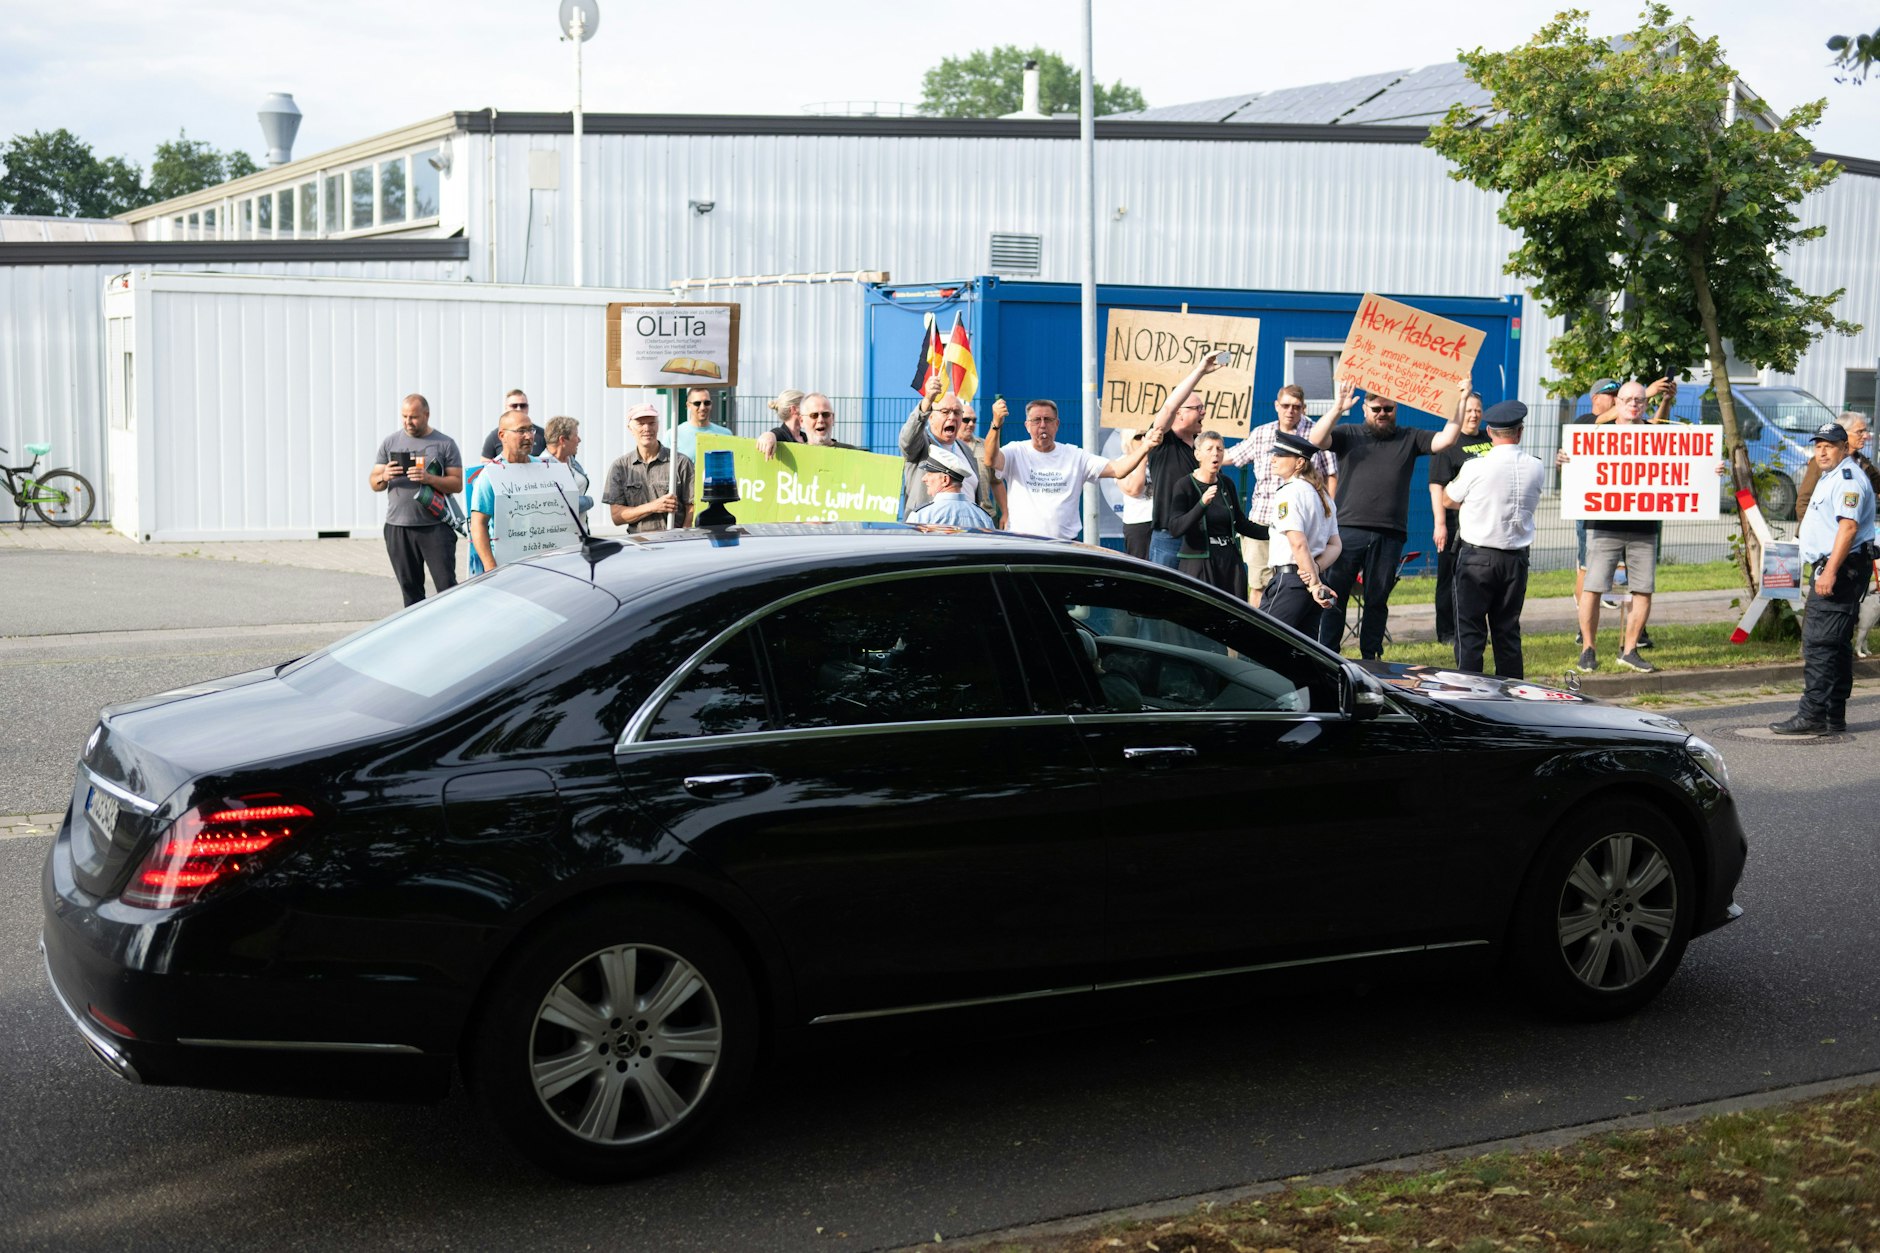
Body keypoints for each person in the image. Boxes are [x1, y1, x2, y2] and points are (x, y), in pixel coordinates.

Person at [1305, 378, 1463, 658]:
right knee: (1334, 594)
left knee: (1377, 598)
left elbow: (1447, 439)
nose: (1382, 413)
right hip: (1347, 530)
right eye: (1376, 408)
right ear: (1364, 409)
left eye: (1388, 409)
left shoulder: (1410, 436)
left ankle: (1371, 657)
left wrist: (1460, 400)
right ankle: (1327, 655)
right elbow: (1315, 440)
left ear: (1396, 409)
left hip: (1390, 533)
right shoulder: (1348, 433)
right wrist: (1338, 407)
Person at [1770, 421, 1878, 735]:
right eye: (1818, 446)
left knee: (1819, 642)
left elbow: (1848, 528)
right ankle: (1833, 713)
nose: (1822, 452)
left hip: (1840, 569)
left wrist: (1829, 571)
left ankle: (1812, 714)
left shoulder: (1847, 479)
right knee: (1837, 643)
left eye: (1829, 446)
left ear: (1844, 448)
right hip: (1836, 567)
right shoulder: (1831, 475)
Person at [1560, 379, 1673, 672]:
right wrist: (1564, 460)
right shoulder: (1595, 431)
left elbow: (1686, 463)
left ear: (1645, 405)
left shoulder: (1656, 434)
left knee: (1643, 589)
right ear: (1617, 403)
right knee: (1593, 587)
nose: (1633, 405)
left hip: (1643, 527)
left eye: (1639, 400)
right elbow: (1573, 457)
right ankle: (1587, 649)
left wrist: (1711, 469)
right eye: (1627, 399)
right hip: (1603, 524)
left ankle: (1630, 650)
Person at [1442, 398, 1543, 678]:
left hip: (1477, 558)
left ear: (1489, 432)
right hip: (1515, 559)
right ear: (1520, 432)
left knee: (1470, 633)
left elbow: (1448, 499)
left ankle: (1470, 693)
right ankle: (1511, 694)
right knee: (1508, 632)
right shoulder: (1536, 466)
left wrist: (1477, 502)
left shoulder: (1475, 466)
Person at [1224, 384, 1337, 607]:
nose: (1290, 411)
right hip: (1262, 520)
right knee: (1259, 584)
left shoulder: (1316, 434)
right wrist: (1204, 453)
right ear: (1276, 406)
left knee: (1299, 576)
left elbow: (1331, 474)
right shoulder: (1261, 433)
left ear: (1304, 408)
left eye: (1296, 406)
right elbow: (1233, 455)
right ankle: (1258, 626)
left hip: (1301, 525)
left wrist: (1328, 511)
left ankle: (1291, 620)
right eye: (1285, 405)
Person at [983, 398, 1160, 540]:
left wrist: (1145, 447)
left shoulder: (1074, 456)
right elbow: (990, 459)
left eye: (1048, 420)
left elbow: (1117, 469)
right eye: (1036, 420)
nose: (1042, 425)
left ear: (1057, 424)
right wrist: (996, 423)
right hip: (1024, 545)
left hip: (1065, 546)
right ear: (1027, 426)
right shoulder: (1016, 452)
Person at [369, 393, 464, 606]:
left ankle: (451, 625)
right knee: (410, 590)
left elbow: (457, 484)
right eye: (404, 416)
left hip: (436, 527)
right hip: (398, 527)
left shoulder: (445, 443)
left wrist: (429, 478)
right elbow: (374, 482)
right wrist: (385, 476)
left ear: (426, 415)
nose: (408, 422)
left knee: (447, 587)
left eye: (413, 417)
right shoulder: (390, 442)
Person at [1144, 355, 1229, 568]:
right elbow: (1168, 407)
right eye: (1197, 408)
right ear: (1179, 414)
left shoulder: (1202, 448)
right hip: (1169, 538)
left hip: (1201, 536)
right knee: (1165, 589)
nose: (1204, 412)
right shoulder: (1163, 441)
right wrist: (1200, 371)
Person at [1261, 429, 1342, 634]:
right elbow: (1335, 545)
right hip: (1310, 579)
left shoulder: (1289, 492)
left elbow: (1298, 543)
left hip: (1292, 581)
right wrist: (1315, 570)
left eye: (1280, 455)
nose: (1273, 459)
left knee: (1261, 640)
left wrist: (1313, 583)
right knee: (1301, 649)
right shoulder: (1322, 494)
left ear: (1299, 463)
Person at [1428, 389, 1491, 644]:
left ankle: (1473, 628)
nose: (1474, 415)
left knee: (1478, 580)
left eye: (1478, 410)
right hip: (1456, 524)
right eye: (1468, 410)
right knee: (1450, 578)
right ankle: (1447, 631)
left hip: (1485, 523)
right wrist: (1440, 524)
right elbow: (1436, 486)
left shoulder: (1490, 439)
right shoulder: (1449, 444)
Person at [1167, 431, 1265, 593]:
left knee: (1234, 606)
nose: (1215, 453)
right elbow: (1175, 528)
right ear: (1198, 455)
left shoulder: (1227, 483)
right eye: (1210, 449)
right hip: (1199, 562)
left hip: (1229, 560)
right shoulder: (1185, 485)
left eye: (1219, 449)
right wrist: (1202, 504)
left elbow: (1241, 523)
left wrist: (1275, 533)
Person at [605, 403, 695, 533]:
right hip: (638, 541)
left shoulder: (680, 462)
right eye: (641, 424)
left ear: (658, 426)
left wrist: (684, 535)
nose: (647, 428)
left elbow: (692, 507)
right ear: (630, 428)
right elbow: (617, 517)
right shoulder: (620, 467)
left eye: (652, 423)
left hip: (673, 541)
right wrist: (653, 507)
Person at [468, 407, 538, 575]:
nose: (529, 436)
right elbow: (478, 524)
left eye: (531, 430)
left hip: (541, 562)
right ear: (502, 436)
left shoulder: (544, 468)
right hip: (506, 567)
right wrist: (491, 568)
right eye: (521, 431)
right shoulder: (491, 475)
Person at [900, 375, 981, 518]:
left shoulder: (965, 449)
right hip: (928, 526)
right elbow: (907, 439)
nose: (952, 417)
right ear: (931, 417)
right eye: (945, 412)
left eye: (957, 412)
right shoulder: (921, 445)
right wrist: (927, 401)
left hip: (965, 526)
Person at [956, 402, 1008, 524]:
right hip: (957, 515)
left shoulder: (986, 446)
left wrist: (1005, 513)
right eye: (966, 420)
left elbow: (997, 482)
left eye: (974, 420)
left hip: (985, 515)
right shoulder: (948, 447)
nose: (971, 424)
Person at [905, 459, 994, 528]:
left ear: (945, 480)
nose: (923, 479)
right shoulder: (983, 516)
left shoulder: (922, 515)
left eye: (929, 474)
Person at [541, 415, 592, 517]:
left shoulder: (571, 460)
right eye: (576, 435)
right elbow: (558, 504)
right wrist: (589, 501)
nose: (579, 440)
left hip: (581, 526)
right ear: (562, 440)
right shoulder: (542, 466)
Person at [479, 389, 546, 459]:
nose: (519, 409)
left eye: (523, 405)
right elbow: (485, 462)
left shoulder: (543, 434)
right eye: (514, 405)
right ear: (502, 436)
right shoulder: (494, 436)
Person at [673, 388, 732, 463]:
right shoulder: (674, 435)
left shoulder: (725, 435)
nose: (702, 407)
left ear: (711, 404)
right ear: (688, 405)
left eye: (707, 403)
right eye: (697, 403)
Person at [753, 389, 806, 459]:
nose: (810, 410)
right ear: (794, 409)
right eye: (806, 407)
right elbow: (774, 434)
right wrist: (768, 436)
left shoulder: (805, 436)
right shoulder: (781, 435)